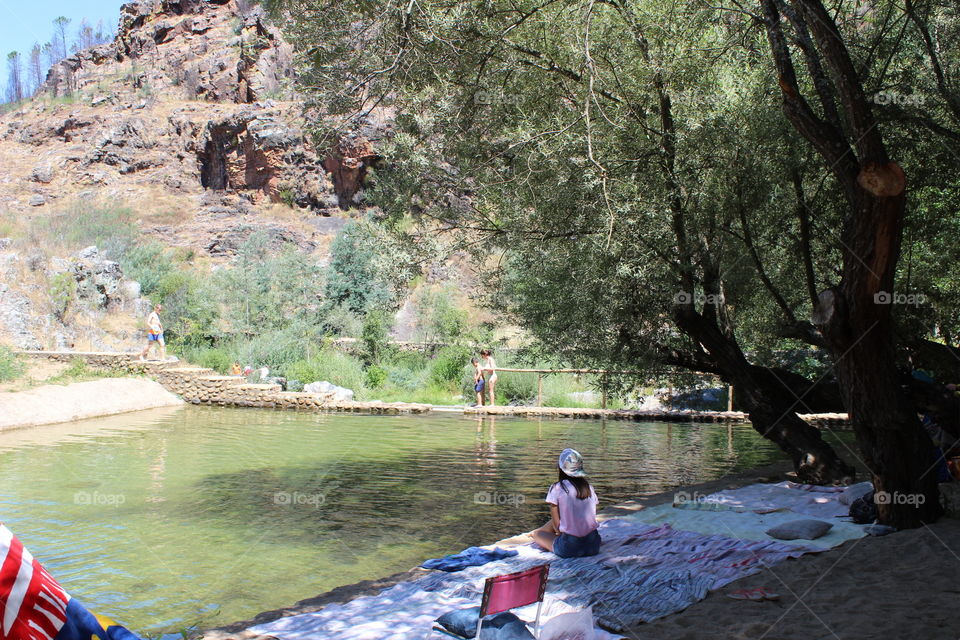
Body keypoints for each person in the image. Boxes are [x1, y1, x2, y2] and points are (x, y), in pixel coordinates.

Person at [531, 448, 601, 558]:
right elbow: (591, 515)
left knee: (537, 534)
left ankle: (538, 532)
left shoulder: (557, 488)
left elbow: (556, 525)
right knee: (568, 517)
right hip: (594, 545)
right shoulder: (589, 488)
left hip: (570, 547)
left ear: (561, 469)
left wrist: (559, 534)